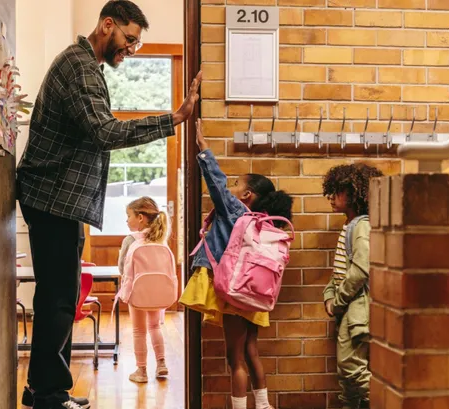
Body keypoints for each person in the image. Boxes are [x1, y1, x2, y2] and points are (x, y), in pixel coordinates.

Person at [16, 0, 202, 407]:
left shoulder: (86, 65)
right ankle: (47, 394)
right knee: (60, 296)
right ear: (107, 24)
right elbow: (104, 131)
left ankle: (45, 388)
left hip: (60, 200)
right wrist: (172, 119)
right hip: (53, 199)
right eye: (129, 40)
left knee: (60, 294)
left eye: (135, 44)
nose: (130, 49)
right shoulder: (80, 67)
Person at [180, 119, 293, 409]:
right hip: (255, 293)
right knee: (251, 350)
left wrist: (203, 148)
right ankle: (264, 406)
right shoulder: (263, 225)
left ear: (247, 196)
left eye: (237, 185)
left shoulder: (236, 211)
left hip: (235, 292)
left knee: (235, 358)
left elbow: (215, 182)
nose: (231, 188)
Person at [321, 163, 383, 409]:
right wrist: (329, 294)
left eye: (338, 191)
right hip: (348, 306)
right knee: (347, 376)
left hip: (356, 306)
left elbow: (360, 270)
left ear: (356, 194)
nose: (331, 197)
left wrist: (337, 301)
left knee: (351, 368)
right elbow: (340, 270)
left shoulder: (362, 226)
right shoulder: (350, 225)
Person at [117, 197, 171, 383]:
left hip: (137, 293)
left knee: (139, 331)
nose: (127, 220)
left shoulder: (130, 240)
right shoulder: (161, 240)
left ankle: (141, 371)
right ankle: (161, 364)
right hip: (157, 292)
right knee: (155, 326)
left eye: (129, 215)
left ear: (140, 217)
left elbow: (121, 268)